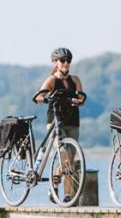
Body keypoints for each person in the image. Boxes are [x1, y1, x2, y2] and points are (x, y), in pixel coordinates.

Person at [34, 47, 85, 197]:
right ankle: (67, 195)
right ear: (55, 63)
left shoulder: (75, 80)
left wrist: (78, 101)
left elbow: (81, 98)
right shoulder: (51, 80)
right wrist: (44, 98)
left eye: (68, 61)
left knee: (70, 161)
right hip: (56, 122)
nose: (66, 64)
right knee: (64, 158)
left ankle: (59, 188)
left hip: (73, 122)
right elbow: (38, 96)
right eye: (63, 61)